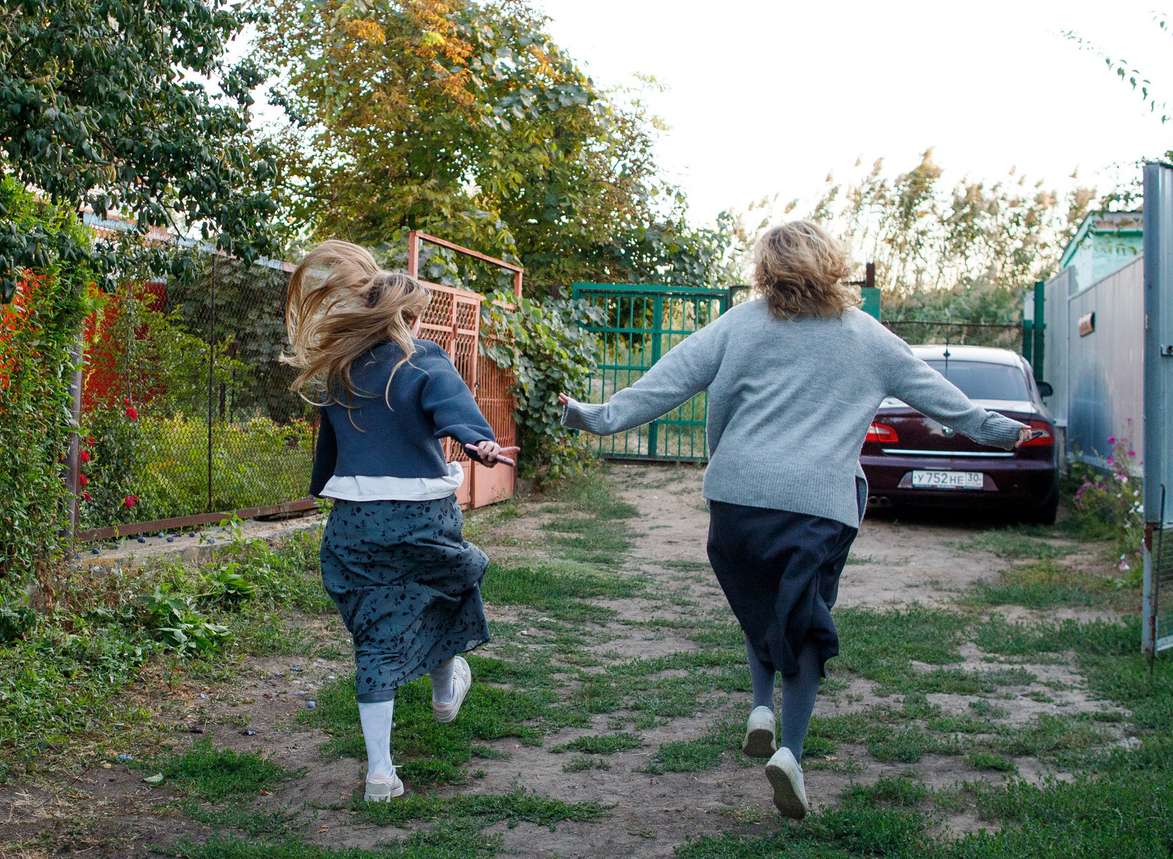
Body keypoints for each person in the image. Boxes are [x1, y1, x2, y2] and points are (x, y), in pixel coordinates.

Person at [561, 219, 1031, 819]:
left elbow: (666, 383)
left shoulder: (740, 324)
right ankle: (791, 752)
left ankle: (761, 705)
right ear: (832, 264)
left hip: (737, 500)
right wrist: (1008, 434)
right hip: (817, 507)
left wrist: (591, 417)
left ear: (766, 269)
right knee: (803, 619)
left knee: (763, 601)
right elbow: (946, 401)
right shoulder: (867, 336)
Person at [287, 241, 520, 803]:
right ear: (406, 316)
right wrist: (480, 445)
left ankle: (380, 776)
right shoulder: (425, 360)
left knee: (376, 635)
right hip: (420, 518)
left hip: (356, 524)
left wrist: (325, 492)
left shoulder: (340, 369)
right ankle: (445, 690)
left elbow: (329, 452)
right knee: (443, 589)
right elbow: (456, 415)